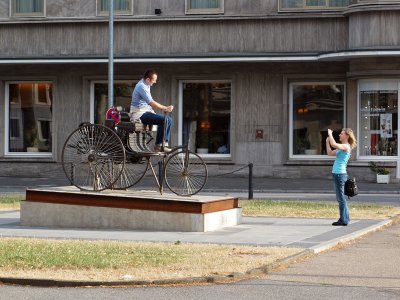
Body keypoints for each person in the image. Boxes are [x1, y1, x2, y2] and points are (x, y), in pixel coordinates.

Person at [130, 70, 174, 152]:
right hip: (139, 113)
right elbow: (151, 102)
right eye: (154, 80)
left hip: (146, 111)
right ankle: (158, 145)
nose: (155, 82)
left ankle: (164, 143)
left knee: (169, 120)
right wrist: (165, 108)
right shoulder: (141, 86)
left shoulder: (146, 85)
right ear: (147, 79)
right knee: (164, 120)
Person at [326, 128, 357, 226]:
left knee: (341, 198)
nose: (339, 135)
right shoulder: (341, 148)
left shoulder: (346, 146)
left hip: (340, 175)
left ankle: (343, 220)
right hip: (337, 174)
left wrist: (330, 134)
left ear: (347, 136)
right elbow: (330, 153)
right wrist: (327, 142)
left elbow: (334, 144)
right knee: (341, 198)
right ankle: (345, 218)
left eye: (341, 134)